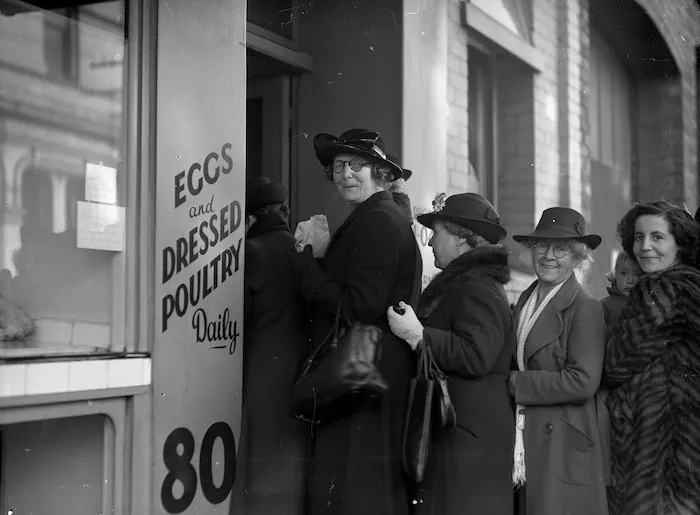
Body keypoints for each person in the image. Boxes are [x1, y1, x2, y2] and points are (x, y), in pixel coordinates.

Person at [291, 129, 421, 515]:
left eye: (357, 165)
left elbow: (360, 305)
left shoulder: (378, 219)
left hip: (362, 376)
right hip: (368, 375)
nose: (345, 173)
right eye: (338, 166)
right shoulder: (376, 215)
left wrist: (307, 263)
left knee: (355, 494)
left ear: (380, 172)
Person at [386, 192, 515, 515]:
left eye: (437, 233)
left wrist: (419, 336)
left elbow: (476, 355)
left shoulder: (478, 288)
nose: (429, 243)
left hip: (467, 439)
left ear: (461, 242)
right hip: (461, 434)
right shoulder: (473, 284)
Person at [603, 200, 700, 515]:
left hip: (660, 447)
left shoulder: (661, 289)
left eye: (658, 237)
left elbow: (616, 363)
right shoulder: (687, 285)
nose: (645, 247)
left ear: (680, 245)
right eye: (639, 237)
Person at [509, 207, 608, 515]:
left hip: (562, 442)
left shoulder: (584, 307)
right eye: (542, 245)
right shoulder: (527, 298)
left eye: (561, 248)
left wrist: (517, 383)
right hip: (528, 437)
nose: (549, 255)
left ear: (578, 257)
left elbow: (583, 381)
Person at [231, 177, 309, 515]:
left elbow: (236, 319)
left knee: (257, 463)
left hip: (260, 371)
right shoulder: (301, 251)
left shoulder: (252, 252)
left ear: (250, 218)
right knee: (289, 463)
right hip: (301, 373)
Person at [600, 252, 642, 327]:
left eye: (638, 275)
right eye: (624, 273)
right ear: (615, 275)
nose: (629, 280)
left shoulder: (649, 305)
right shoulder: (604, 305)